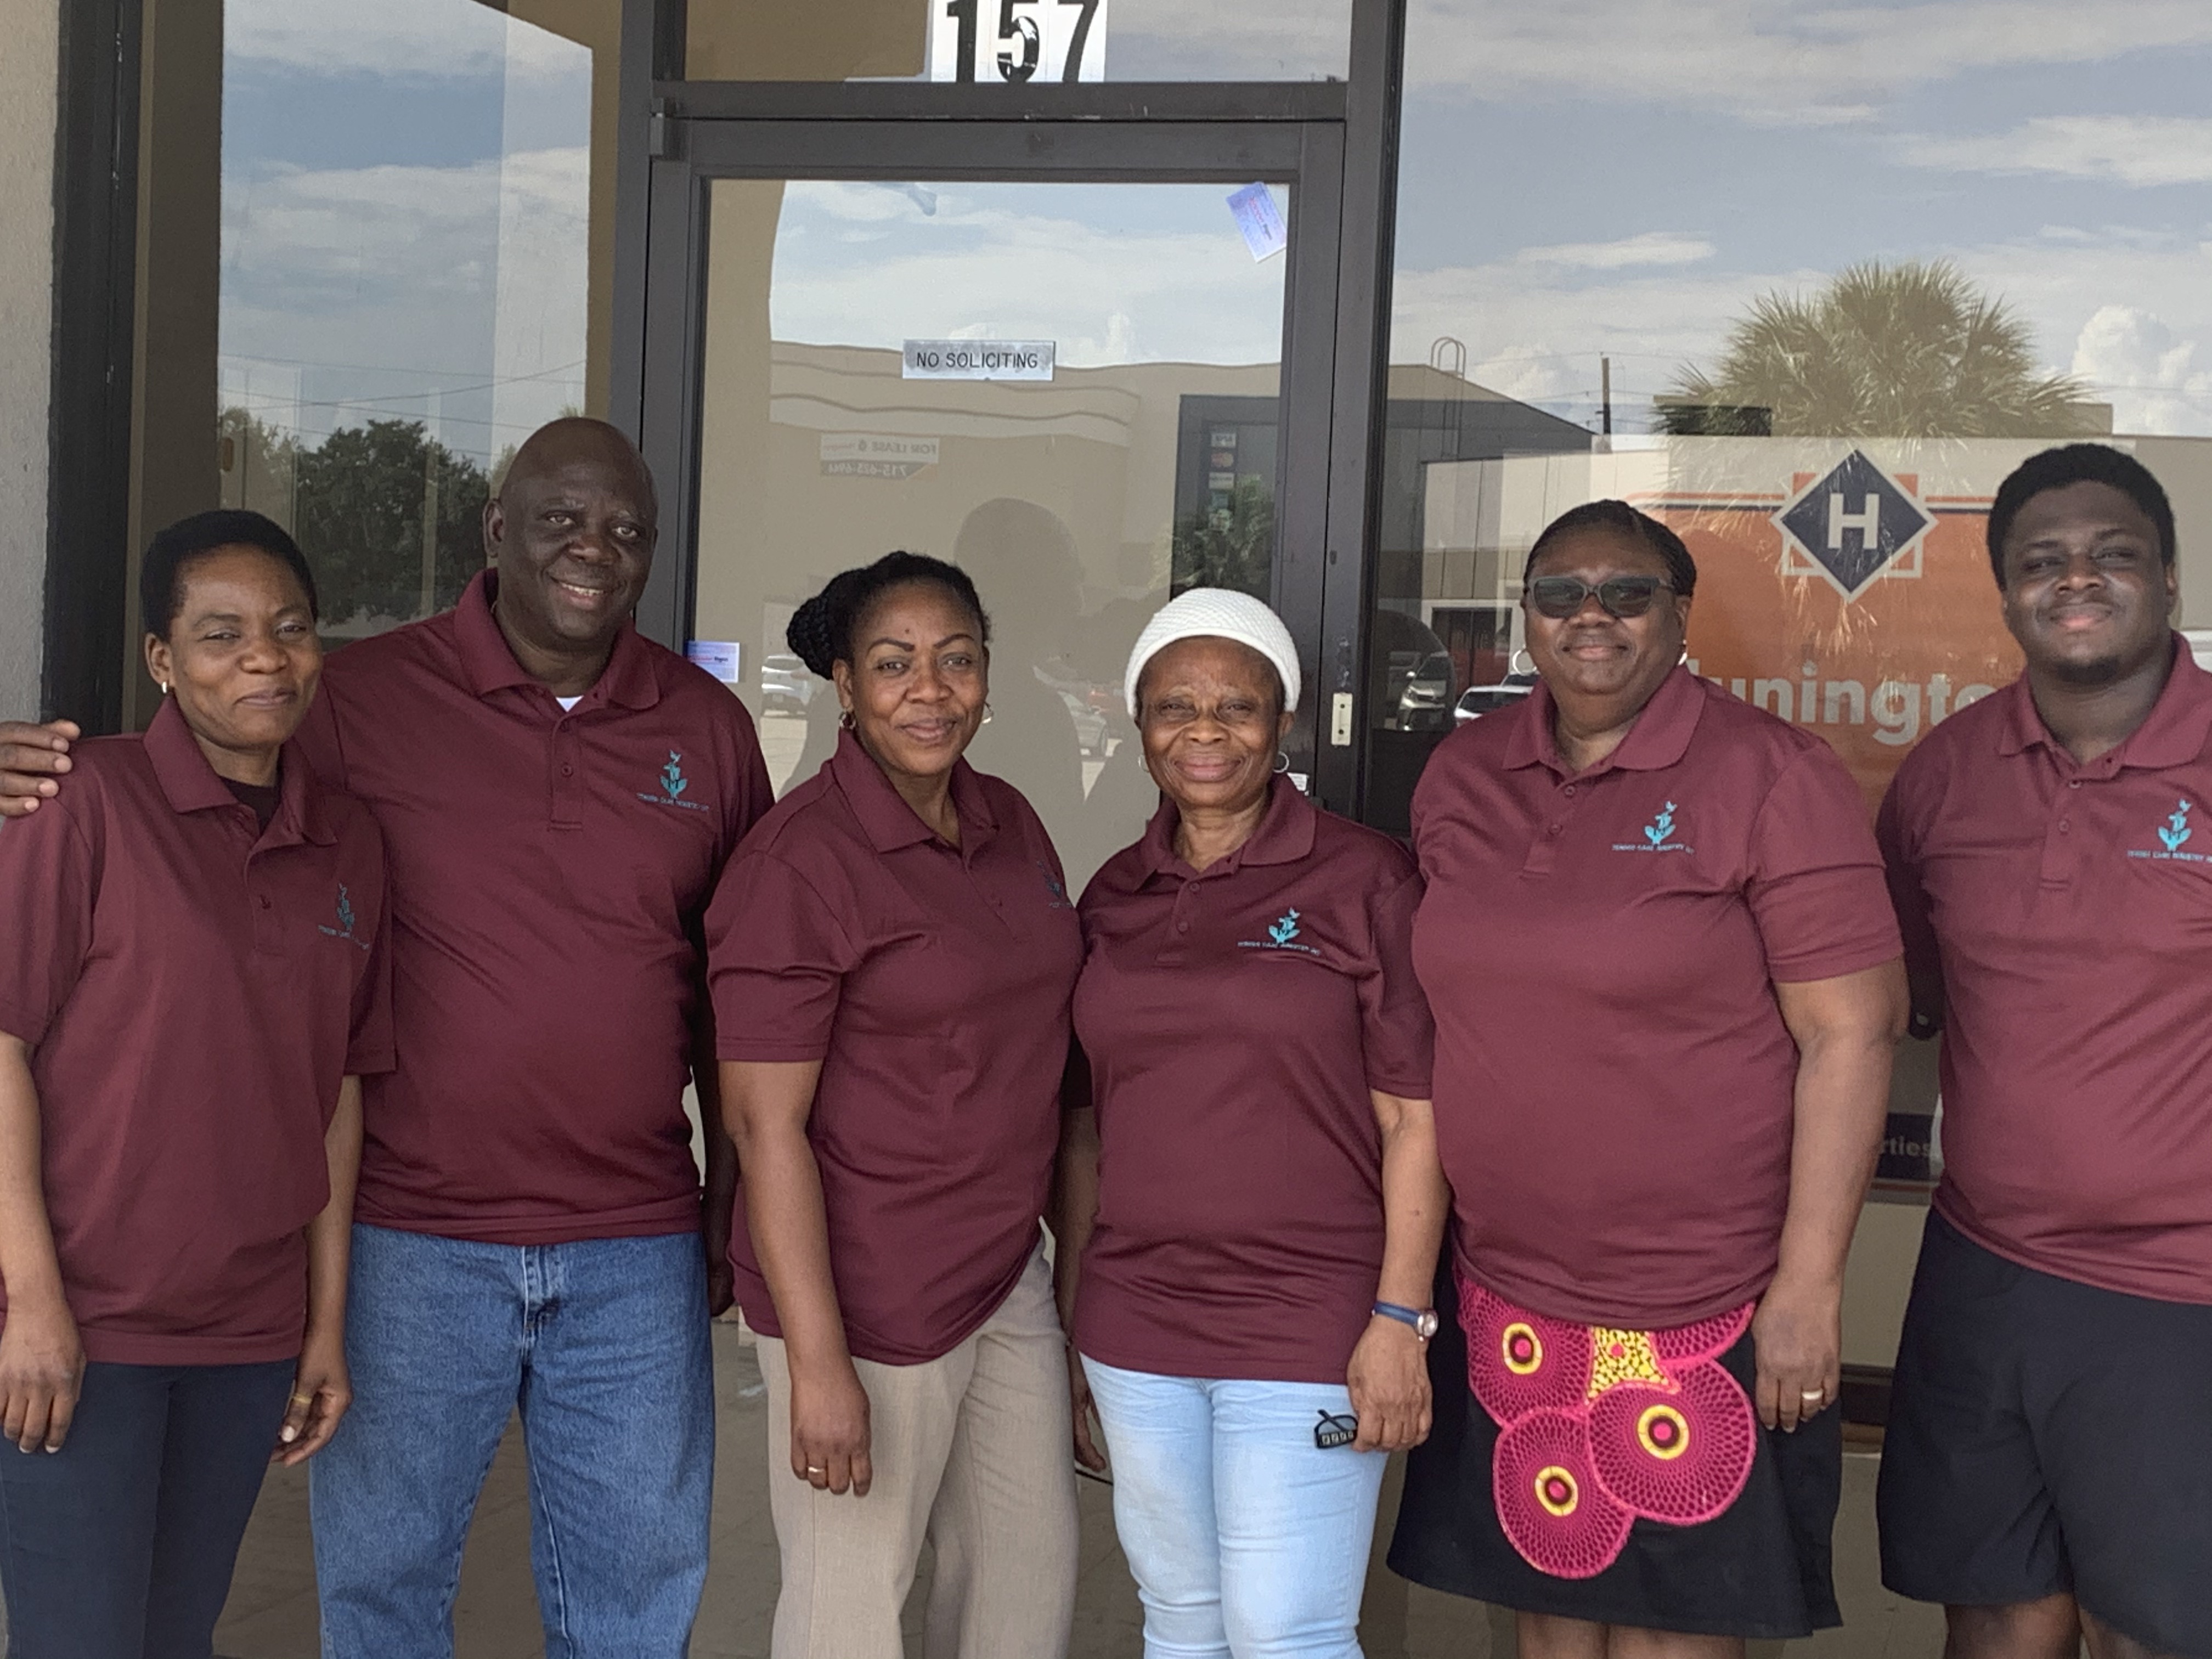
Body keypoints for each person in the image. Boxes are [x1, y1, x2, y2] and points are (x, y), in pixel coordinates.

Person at [0, 418, 773, 1657]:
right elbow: (197, 763)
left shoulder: (709, 729)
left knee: (636, 1597)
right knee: (382, 1594)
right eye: (560, 519)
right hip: (411, 1240)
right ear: (496, 530)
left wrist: (734, 1200)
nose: (593, 548)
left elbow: (739, 993)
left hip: (633, 1240)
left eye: (626, 529)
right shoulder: (357, 699)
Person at [1388, 500, 1907, 1656]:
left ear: (1679, 618)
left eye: (1627, 593)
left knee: (1679, 1639)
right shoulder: (1464, 773)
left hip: (1704, 1304)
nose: (1592, 616)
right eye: (1560, 593)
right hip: (1511, 1296)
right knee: (1549, 1625)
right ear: (1527, 618)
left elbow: (1854, 1036)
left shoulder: (1770, 773)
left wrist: (1810, 1288)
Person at [0, 511, 388, 1654]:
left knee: (179, 1636)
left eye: (290, 628)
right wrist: (31, 1301)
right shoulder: (83, 801)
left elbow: (338, 1089)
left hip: (248, 1333)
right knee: (80, 1639)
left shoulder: (349, 841)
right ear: (163, 659)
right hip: (88, 1328)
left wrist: (323, 1324)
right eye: (222, 634)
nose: (264, 657)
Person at [1052, 588, 1445, 1659]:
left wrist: (1400, 1319)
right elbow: (1086, 1132)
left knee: (1287, 1630)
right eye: (1175, 706)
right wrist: (1077, 1318)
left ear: (1285, 724)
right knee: (1181, 1621)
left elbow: (1415, 1122)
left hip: (1310, 1315)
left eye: (1238, 706)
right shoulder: (1114, 895)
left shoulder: (1365, 879)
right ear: (1140, 724)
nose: (1206, 731)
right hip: (1136, 1321)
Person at [707, 551, 1083, 1659]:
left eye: (956, 660)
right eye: (893, 663)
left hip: (1001, 1270)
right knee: (851, 1608)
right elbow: (763, 1126)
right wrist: (818, 1363)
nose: (930, 689)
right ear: (845, 686)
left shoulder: (1009, 821)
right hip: (865, 1295)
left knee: (1027, 1583)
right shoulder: (799, 863)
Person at [1875, 445, 2211, 1659]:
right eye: (2044, 560)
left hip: (2180, 1292)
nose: (2078, 579)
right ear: (2006, 591)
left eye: (2114, 554)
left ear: (2169, 580)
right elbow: (1910, 995)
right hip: (1984, 1271)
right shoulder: (1944, 775)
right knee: (1995, 1617)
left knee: (2151, 1628)